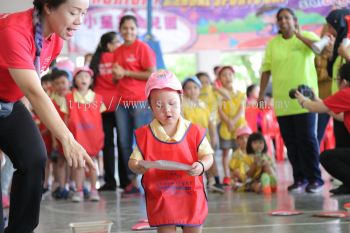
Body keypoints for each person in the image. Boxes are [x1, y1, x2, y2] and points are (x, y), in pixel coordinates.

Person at [0, 0, 94, 232]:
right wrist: (68, 139)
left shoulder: (56, 40)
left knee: (33, 158)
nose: (79, 20)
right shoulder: (13, 31)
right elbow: (35, 92)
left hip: (7, 102)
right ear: (49, 7)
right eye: (73, 12)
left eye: (83, 13)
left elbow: (28, 83)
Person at [128, 70, 214, 233]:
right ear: (150, 106)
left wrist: (202, 166)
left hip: (190, 195)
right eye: (159, 105)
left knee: (194, 228)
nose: (167, 110)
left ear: (181, 100)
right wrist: (138, 166)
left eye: (172, 103)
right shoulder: (145, 134)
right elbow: (133, 161)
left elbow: (208, 156)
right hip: (162, 197)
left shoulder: (194, 131)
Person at [258, 7, 323, 193]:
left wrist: (299, 35)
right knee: (291, 143)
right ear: (277, 23)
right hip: (282, 103)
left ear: (294, 20)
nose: (283, 21)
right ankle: (300, 179)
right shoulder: (273, 44)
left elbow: (319, 50)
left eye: (287, 17)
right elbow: (266, 70)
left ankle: (315, 179)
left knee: (308, 140)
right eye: (280, 18)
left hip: (306, 100)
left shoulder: (307, 36)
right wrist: (261, 95)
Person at [112, 15, 156, 194]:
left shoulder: (143, 48)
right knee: (123, 142)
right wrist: (117, 76)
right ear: (120, 30)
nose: (128, 31)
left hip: (140, 101)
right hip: (121, 101)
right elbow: (117, 77)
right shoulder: (118, 50)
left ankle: (149, 178)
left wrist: (126, 72)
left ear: (136, 30)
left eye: (132, 28)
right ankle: (132, 180)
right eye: (125, 28)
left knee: (142, 141)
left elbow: (151, 74)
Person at [295, 62, 350, 195]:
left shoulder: (346, 94)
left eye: (337, 79)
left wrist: (302, 99)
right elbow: (340, 116)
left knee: (326, 157)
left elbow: (314, 108)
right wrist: (315, 98)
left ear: (344, 81)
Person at [62, 67, 106, 202]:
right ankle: (79, 190)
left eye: (86, 77)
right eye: (80, 76)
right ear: (74, 80)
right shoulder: (68, 97)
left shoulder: (98, 98)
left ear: (91, 80)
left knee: (92, 165)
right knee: (79, 165)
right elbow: (64, 119)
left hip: (93, 138)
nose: (83, 79)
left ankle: (94, 189)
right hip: (77, 138)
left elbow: (100, 120)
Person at [89, 31, 120, 191]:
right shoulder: (117, 57)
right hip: (120, 104)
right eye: (116, 42)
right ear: (109, 45)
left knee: (107, 144)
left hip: (101, 105)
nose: (118, 45)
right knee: (123, 143)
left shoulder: (95, 59)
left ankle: (110, 182)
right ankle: (127, 182)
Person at [181, 76, 224, 193]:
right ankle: (202, 182)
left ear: (199, 90)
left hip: (205, 138)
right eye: (189, 88)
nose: (192, 90)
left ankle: (214, 181)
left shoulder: (203, 105)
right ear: (184, 91)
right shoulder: (183, 106)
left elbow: (211, 122)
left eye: (195, 87)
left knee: (210, 159)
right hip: (190, 139)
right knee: (195, 162)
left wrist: (214, 136)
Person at [217, 65, 246, 185]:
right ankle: (227, 176)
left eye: (229, 74)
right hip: (225, 128)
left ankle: (238, 175)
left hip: (239, 127)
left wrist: (233, 121)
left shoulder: (240, 94)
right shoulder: (219, 94)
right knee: (225, 152)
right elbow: (219, 110)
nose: (227, 77)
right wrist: (228, 121)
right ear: (219, 79)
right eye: (224, 75)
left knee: (239, 152)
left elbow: (241, 109)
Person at [229, 125, 253, 190]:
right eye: (241, 138)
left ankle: (248, 183)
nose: (245, 140)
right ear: (237, 140)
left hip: (252, 175)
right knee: (236, 172)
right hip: (241, 177)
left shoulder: (253, 153)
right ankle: (246, 183)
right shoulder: (235, 154)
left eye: (247, 137)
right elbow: (232, 169)